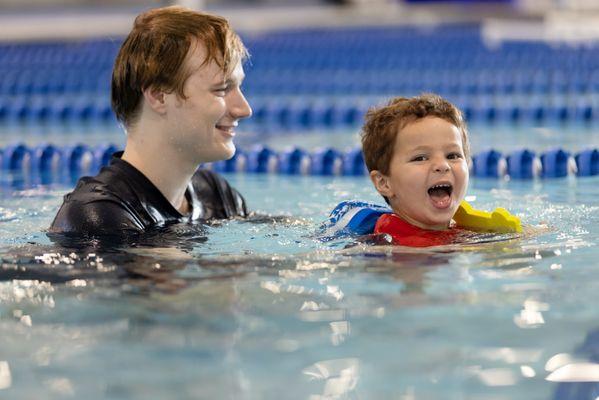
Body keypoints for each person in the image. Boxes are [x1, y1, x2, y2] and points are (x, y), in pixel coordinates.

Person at [49, 6, 252, 237]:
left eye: (239, 87)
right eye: (222, 89)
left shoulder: (217, 196)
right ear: (158, 96)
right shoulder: (98, 217)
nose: (244, 109)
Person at [360, 94, 471, 247]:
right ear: (384, 183)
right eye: (420, 158)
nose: (443, 165)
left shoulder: (467, 230)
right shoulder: (390, 247)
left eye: (452, 155)